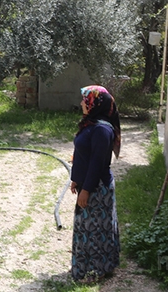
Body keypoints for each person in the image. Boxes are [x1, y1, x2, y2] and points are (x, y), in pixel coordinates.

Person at [69, 85, 122, 283]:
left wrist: (87, 190)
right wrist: (76, 179)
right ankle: (88, 268)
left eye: (85, 99)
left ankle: (96, 271)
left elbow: (97, 163)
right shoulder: (91, 124)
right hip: (88, 184)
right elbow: (83, 155)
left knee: (95, 231)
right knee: (87, 229)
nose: (82, 103)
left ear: (95, 103)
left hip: (97, 188)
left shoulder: (101, 129)